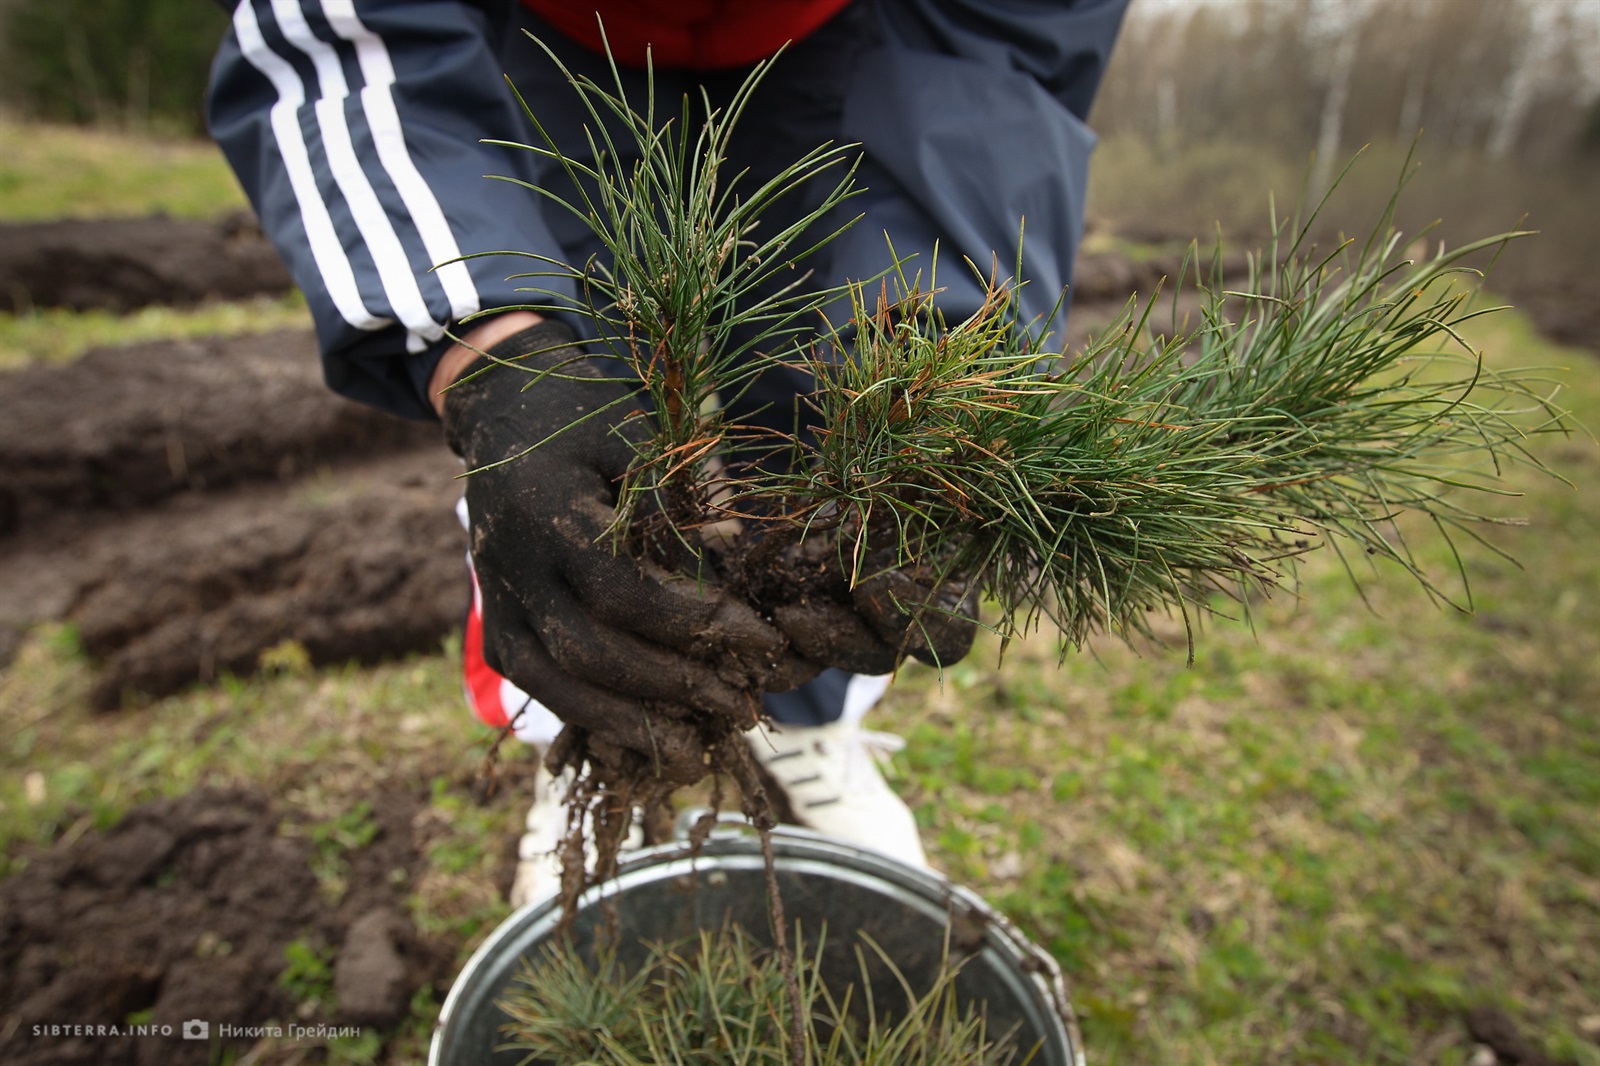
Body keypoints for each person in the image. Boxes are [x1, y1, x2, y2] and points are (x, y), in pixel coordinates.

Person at [206, 0, 1128, 906]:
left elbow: (1001, 48)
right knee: (567, 448)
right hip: (540, 27)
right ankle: (599, 747)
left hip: (852, 30)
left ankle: (799, 725)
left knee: (835, 417)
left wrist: (934, 347)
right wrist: (487, 343)